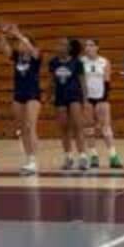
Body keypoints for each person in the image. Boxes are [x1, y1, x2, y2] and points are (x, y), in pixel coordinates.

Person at [0, 22, 43, 176]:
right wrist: (4, 34)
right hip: (19, 94)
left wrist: (18, 34)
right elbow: (4, 48)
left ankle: (34, 161)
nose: (20, 45)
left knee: (31, 126)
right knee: (22, 128)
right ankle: (28, 159)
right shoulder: (17, 57)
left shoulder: (36, 56)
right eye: (19, 43)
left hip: (33, 94)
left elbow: (33, 51)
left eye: (24, 42)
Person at [48, 37, 91, 171]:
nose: (59, 46)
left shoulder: (77, 62)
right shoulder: (53, 62)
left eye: (63, 44)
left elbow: (83, 82)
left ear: (69, 48)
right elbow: (52, 81)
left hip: (74, 96)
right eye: (58, 44)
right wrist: (50, 95)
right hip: (60, 97)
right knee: (64, 127)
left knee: (78, 127)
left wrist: (85, 100)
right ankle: (68, 157)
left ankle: (83, 157)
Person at [80, 39, 121, 169]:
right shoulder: (81, 62)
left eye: (91, 45)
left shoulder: (104, 62)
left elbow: (107, 82)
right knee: (89, 127)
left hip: (101, 98)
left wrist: (103, 100)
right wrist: (84, 99)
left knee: (105, 127)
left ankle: (113, 155)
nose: (88, 48)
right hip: (87, 99)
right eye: (86, 45)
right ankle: (93, 155)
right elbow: (80, 82)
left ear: (97, 47)